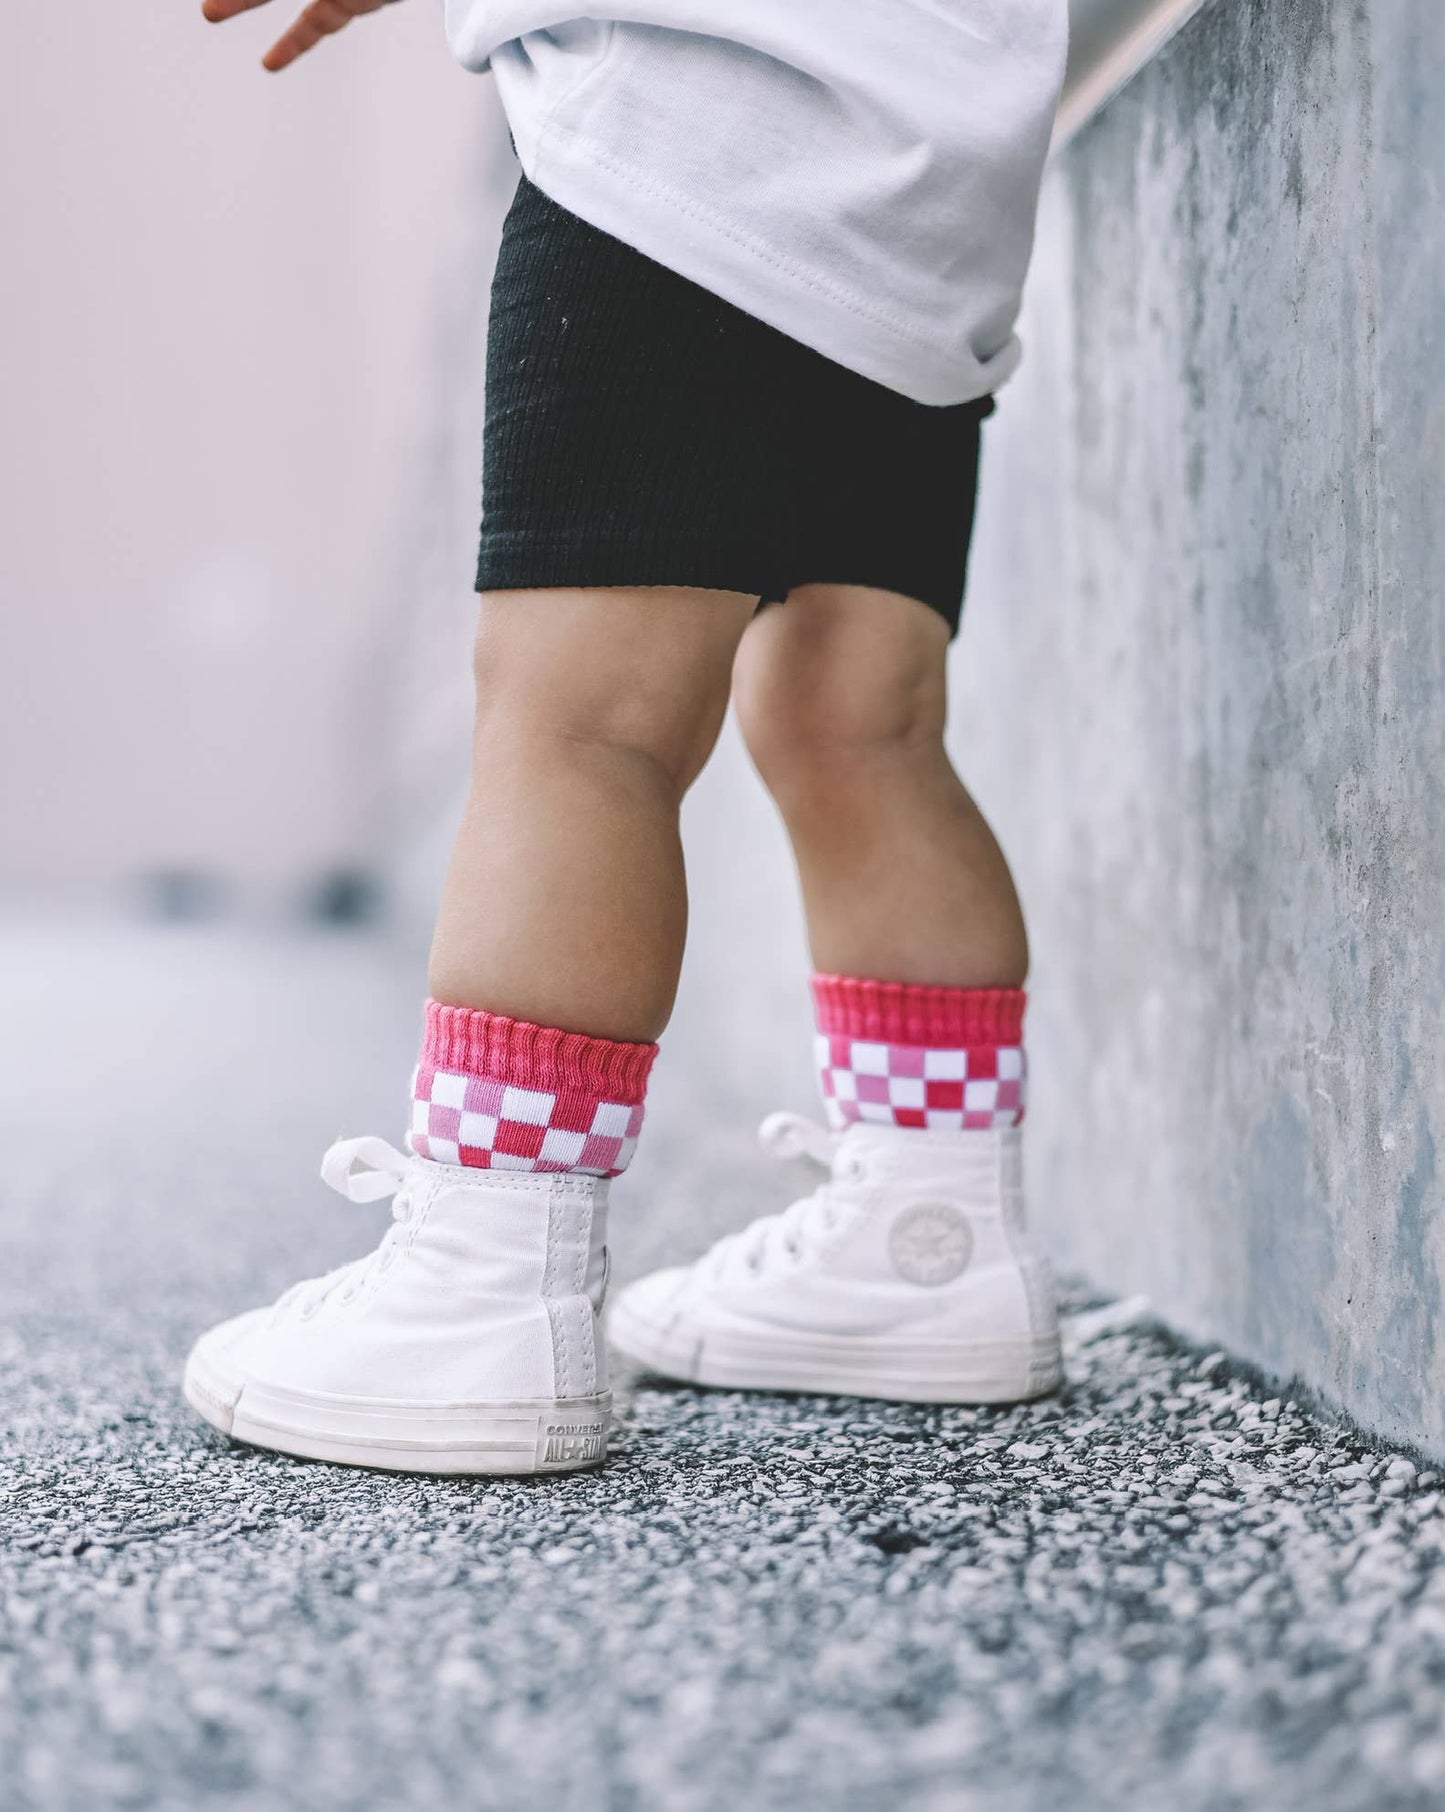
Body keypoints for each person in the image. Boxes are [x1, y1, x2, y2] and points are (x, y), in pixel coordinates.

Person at [182, 0, 1071, 1474]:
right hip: (926, 177)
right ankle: (934, 1241)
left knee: (579, 724)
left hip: (687, 137)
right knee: (860, 724)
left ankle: (484, 1284)